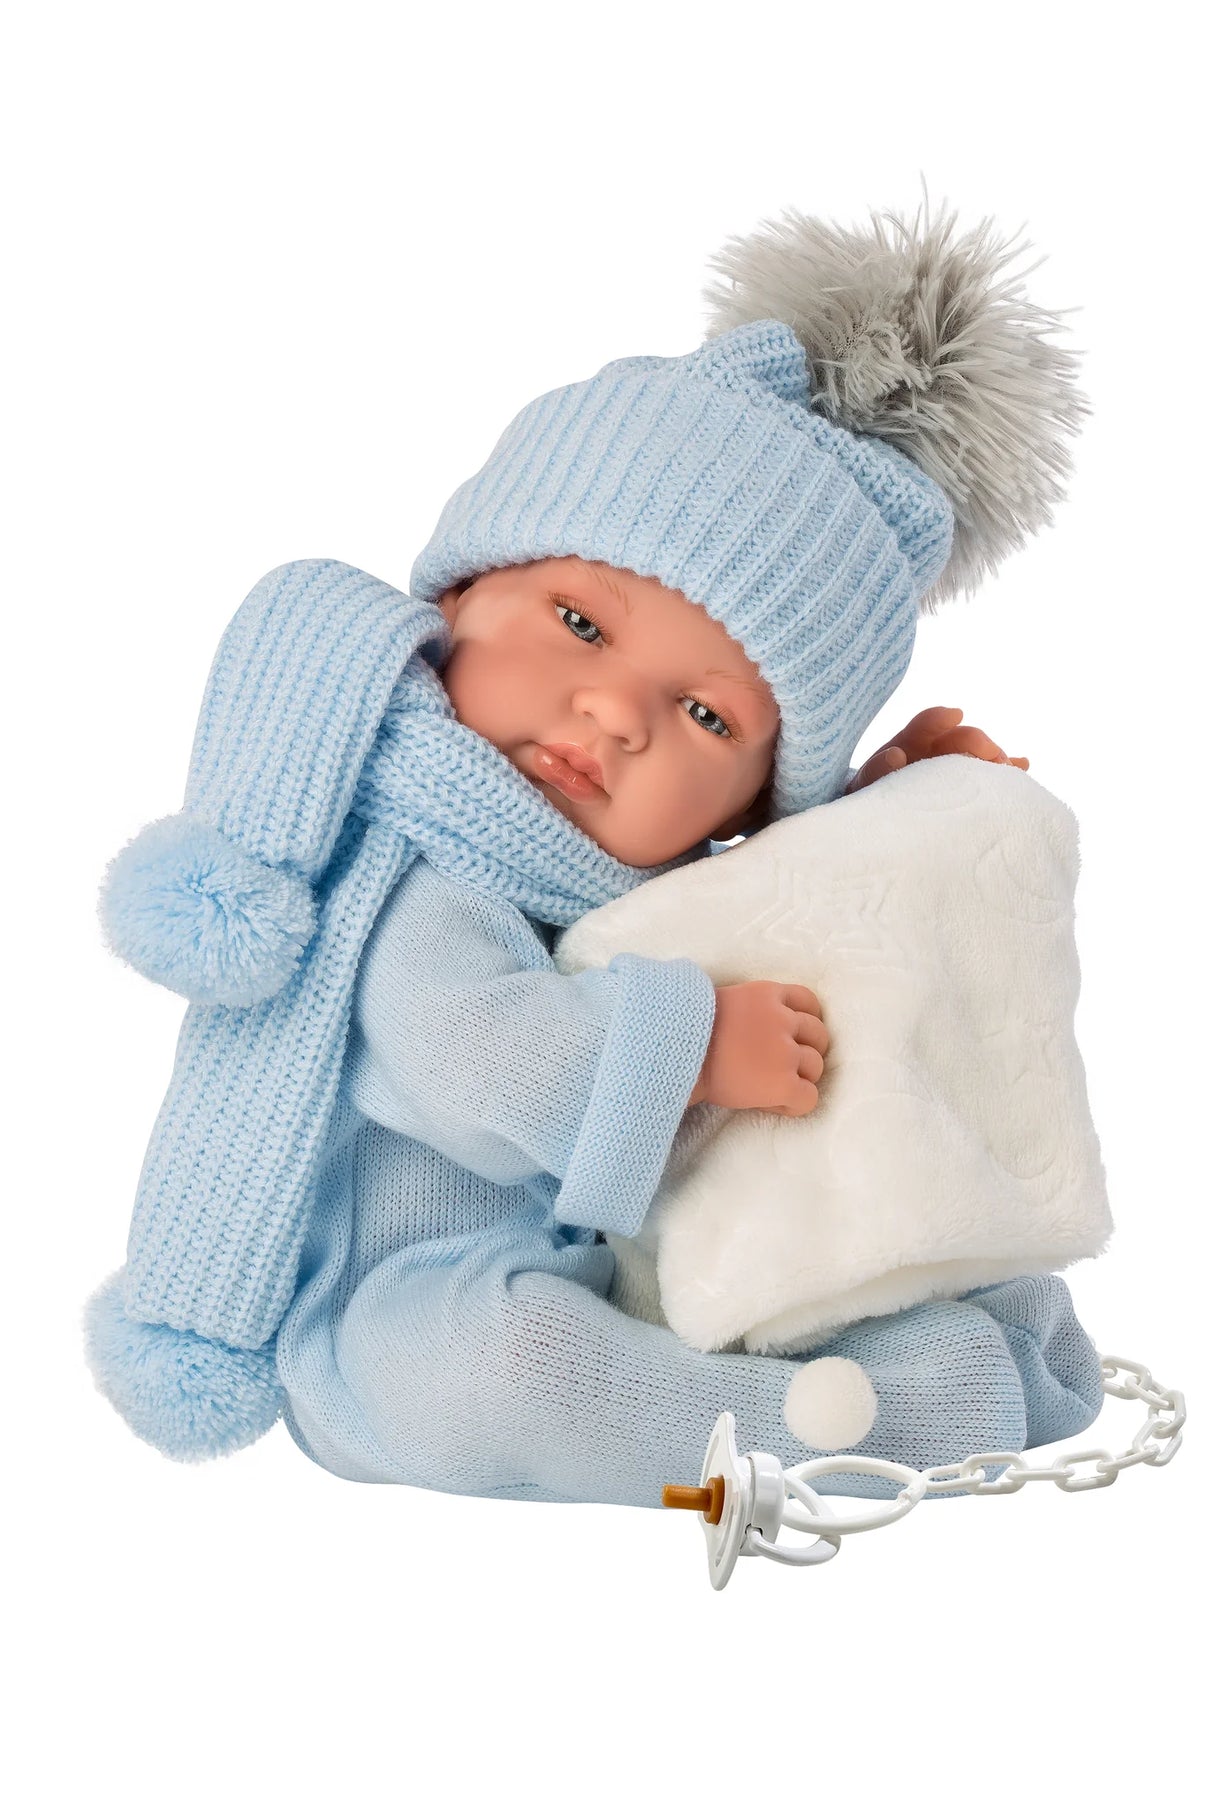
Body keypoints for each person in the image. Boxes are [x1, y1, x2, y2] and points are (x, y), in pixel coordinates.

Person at [85, 200, 1104, 1505]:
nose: (615, 712)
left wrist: (881, 813)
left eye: (706, 717)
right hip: (394, 1299)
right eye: (579, 622)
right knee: (511, 1370)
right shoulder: (417, 858)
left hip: (630, 1251)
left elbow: (778, 906)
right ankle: (848, 1419)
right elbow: (470, 1057)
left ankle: (921, 1330)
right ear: (460, 594)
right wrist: (691, 1049)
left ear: (750, 804)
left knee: (804, 1199)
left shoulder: (651, 871)